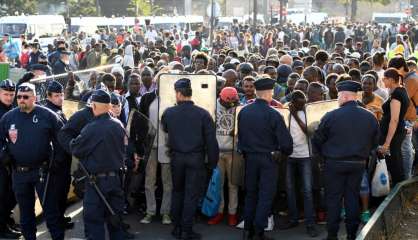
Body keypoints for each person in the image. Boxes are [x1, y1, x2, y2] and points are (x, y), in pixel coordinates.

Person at [312, 80, 379, 240]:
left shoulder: (331, 116)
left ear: (344, 96)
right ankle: (351, 235)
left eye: (339, 96)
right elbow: (375, 142)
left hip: (334, 163)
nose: (338, 99)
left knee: (333, 200)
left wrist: (324, 156)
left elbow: (317, 140)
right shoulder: (369, 117)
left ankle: (332, 235)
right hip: (357, 164)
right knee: (352, 199)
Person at [0, 83, 65, 240]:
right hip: (19, 173)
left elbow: (62, 139)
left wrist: (57, 161)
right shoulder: (8, 118)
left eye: (26, 97)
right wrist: (3, 154)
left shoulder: (48, 116)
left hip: (43, 173)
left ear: (34, 98)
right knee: (26, 214)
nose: (21, 100)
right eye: (19, 97)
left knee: (51, 212)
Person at [161, 78, 219, 240]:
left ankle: (177, 227)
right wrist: (212, 163)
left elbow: (165, 128)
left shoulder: (169, 113)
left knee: (177, 192)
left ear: (179, 93)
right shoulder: (203, 114)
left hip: (176, 158)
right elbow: (211, 142)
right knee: (191, 194)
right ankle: (186, 229)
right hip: (196, 158)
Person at [237, 77, 293, 240]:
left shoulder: (245, 111)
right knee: (265, 195)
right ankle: (259, 231)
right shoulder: (273, 114)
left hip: (250, 158)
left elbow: (240, 136)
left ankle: (247, 231)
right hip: (268, 159)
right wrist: (284, 153)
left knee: (251, 194)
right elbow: (286, 142)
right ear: (269, 93)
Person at [70, 89, 127, 240]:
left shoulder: (92, 128)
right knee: (116, 223)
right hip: (116, 181)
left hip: (97, 184)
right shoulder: (118, 124)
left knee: (94, 225)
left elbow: (76, 149)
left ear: (94, 106)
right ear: (109, 106)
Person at [285, 90, 318, 237]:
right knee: (290, 189)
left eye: (303, 103)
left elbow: (309, 132)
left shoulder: (307, 114)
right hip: (290, 156)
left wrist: (296, 115)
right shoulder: (286, 113)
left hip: (305, 156)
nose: (302, 105)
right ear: (292, 103)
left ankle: (310, 224)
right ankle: (293, 219)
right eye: (298, 104)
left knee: (307, 191)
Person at [43, 81, 74, 230]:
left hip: (64, 159)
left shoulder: (59, 110)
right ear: (48, 97)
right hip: (56, 162)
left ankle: (60, 218)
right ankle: (56, 223)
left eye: (61, 95)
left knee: (63, 192)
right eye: (56, 95)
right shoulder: (48, 113)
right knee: (56, 195)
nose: (60, 98)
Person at [208, 87, 239, 226]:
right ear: (221, 98)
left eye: (233, 103)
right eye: (228, 103)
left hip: (233, 152)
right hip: (217, 152)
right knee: (218, 185)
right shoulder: (212, 106)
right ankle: (219, 212)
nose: (230, 106)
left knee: (233, 185)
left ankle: (232, 213)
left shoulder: (238, 107)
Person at [377, 68, 410, 185]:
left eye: (384, 79)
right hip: (397, 131)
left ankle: (398, 192)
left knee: (394, 164)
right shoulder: (401, 90)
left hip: (393, 134)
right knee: (396, 162)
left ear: (390, 79)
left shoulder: (396, 94)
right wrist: (379, 110)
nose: (382, 82)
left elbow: (394, 120)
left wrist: (387, 143)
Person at [0, 80, 21, 239]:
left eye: (11, 94)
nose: (8, 97)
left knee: (11, 193)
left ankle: (6, 221)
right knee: (2, 195)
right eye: (5, 94)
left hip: (12, 160)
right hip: (2, 160)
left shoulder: (13, 109)